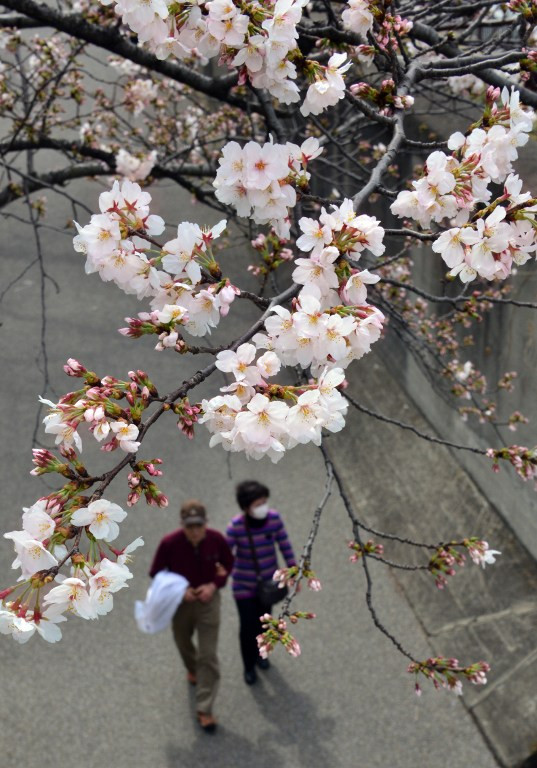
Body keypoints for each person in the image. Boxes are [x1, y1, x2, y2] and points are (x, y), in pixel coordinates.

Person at [149, 499, 234, 733]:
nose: (195, 531)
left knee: (208, 655)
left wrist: (214, 585)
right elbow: (155, 572)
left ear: (206, 523)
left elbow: (228, 563)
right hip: (180, 603)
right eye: (190, 526)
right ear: (182, 524)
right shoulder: (169, 543)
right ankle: (192, 669)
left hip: (208, 602)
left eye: (199, 525)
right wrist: (180, 590)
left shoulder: (217, 540)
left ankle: (204, 708)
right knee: (182, 642)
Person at [226, 480, 297, 686]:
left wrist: (293, 571)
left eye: (264, 502)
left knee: (265, 625)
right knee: (247, 629)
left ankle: (261, 655)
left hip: (268, 586)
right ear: (246, 507)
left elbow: (284, 545)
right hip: (244, 587)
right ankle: (248, 666)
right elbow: (224, 553)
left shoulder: (274, 519)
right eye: (258, 504)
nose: (263, 507)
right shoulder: (236, 527)